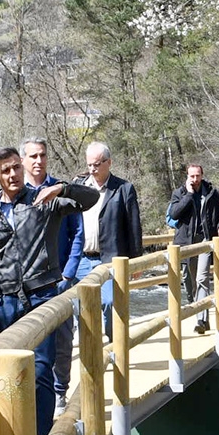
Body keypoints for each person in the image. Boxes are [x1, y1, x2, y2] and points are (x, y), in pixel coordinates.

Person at [0, 146, 98, 435]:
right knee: (8, 376)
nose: (13, 174)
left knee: (41, 371)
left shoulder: (44, 201)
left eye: (16, 167)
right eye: (6, 170)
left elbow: (90, 199)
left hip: (42, 297)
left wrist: (62, 188)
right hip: (4, 302)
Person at [22, 138, 82, 407]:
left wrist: (68, 274)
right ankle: (31, 394)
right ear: (23, 160)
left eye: (42, 155)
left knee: (63, 337)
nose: (38, 161)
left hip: (60, 278)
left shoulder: (59, 189)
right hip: (27, 283)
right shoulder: (18, 193)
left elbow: (77, 232)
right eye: (33, 156)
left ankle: (60, 390)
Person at [72, 141, 144, 332]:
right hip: (81, 259)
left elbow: (133, 226)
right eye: (89, 164)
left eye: (97, 164)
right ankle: (91, 355)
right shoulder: (78, 187)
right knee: (81, 307)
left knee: (110, 303)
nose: (93, 169)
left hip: (110, 258)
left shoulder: (123, 189)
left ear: (109, 162)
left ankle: (116, 349)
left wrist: (136, 260)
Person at [166, 163, 219, 333]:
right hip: (186, 243)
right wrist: (189, 195)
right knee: (189, 282)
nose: (195, 179)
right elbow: (173, 214)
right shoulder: (179, 193)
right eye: (191, 176)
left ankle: (201, 320)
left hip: (205, 242)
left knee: (202, 279)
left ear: (202, 175)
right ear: (187, 176)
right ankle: (199, 313)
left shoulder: (212, 193)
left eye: (197, 176)